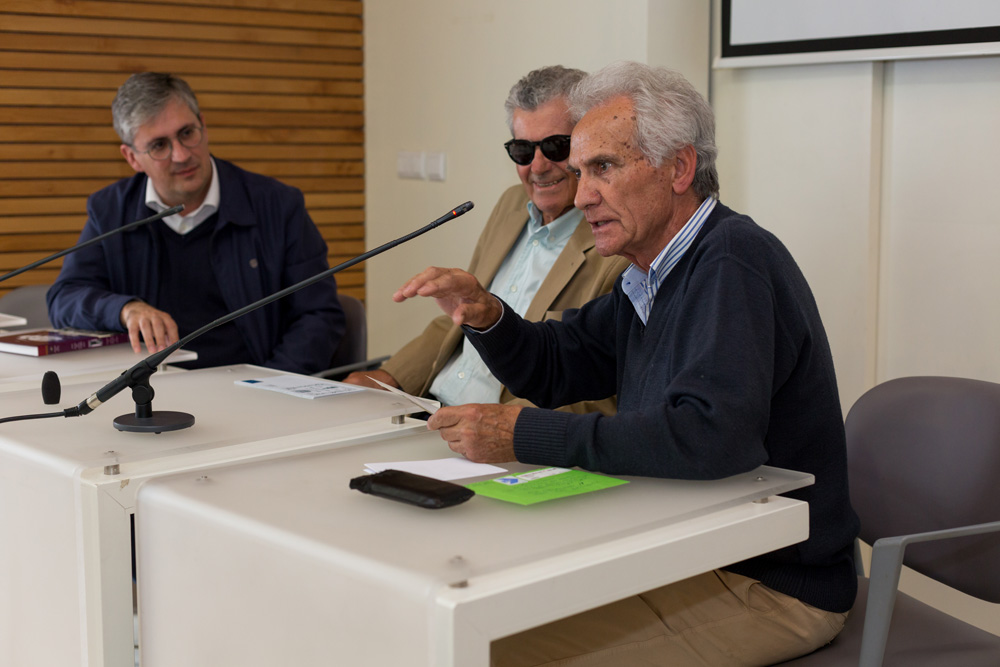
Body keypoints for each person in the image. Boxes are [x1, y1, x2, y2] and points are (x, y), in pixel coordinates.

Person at [392, 62, 860, 666]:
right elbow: (559, 366)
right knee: (449, 631)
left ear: (679, 168)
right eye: (582, 172)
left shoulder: (731, 262)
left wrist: (521, 433)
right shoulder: (651, 273)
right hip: (679, 549)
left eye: (604, 168)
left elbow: (709, 437)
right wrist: (487, 314)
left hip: (765, 582)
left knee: (491, 654)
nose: (583, 194)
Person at [343, 66, 627, 414]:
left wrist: (505, 426)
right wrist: (390, 376)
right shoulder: (511, 205)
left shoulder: (617, 241)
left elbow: (599, 389)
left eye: (555, 147)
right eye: (523, 150)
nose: (537, 166)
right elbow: (459, 318)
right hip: (431, 407)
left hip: (498, 426)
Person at [47, 72, 344, 375]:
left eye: (187, 133)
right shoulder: (111, 211)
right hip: (148, 393)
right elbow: (64, 299)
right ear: (132, 158)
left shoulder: (277, 206)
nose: (181, 155)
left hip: (252, 388)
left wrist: (271, 386)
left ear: (203, 123)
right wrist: (125, 309)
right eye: (159, 145)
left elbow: (318, 316)